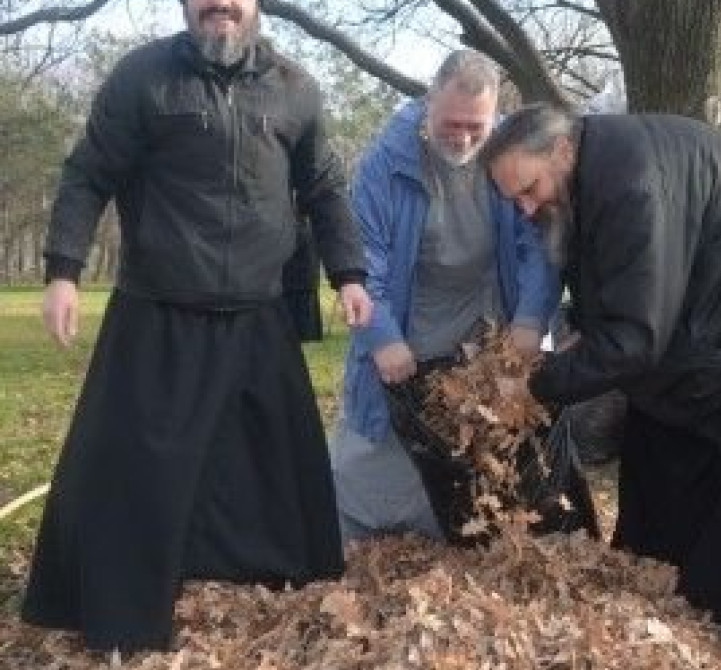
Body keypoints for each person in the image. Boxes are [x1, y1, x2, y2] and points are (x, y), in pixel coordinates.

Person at [21, 0, 372, 653]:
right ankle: (121, 614)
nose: (220, 5)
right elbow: (88, 171)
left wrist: (349, 273)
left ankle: (261, 582)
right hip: (158, 308)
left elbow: (323, 188)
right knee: (134, 470)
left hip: (258, 312)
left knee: (271, 468)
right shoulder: (143, 77)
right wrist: (63, 271)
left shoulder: (296, 87)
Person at [479, 103, 721, 668]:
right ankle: (692, 583)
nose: (525, 208)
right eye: (514, 198)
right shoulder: (583, 180)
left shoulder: (630, 182)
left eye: (529, 188)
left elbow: (636, 339)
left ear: (562, 151)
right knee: (664, 417)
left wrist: (536, 386)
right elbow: (616, 300)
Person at [331, 50, 558, 544]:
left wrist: (530, 318)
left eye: (475, 127)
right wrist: (382, 336)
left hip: (482, 333)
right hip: (407, 324)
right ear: (429, 101)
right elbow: (365, 261)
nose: (462, 138)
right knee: (371, 452)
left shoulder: (510, 154)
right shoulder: (384, 164)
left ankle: (457, 542)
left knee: (477, 457)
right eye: (451, 124)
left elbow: (537, 245)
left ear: (494, 115)